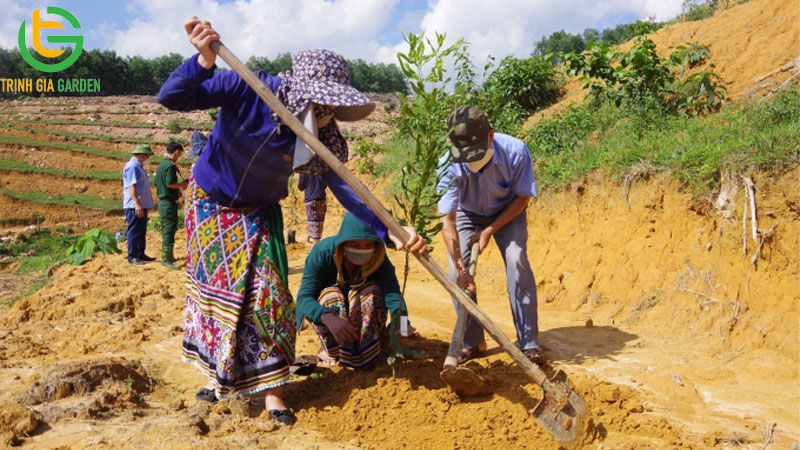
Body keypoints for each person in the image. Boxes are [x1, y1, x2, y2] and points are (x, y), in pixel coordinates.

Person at [157, 18, 425, 425]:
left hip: (258, 214)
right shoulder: (245, 87)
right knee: (216, 298)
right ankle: (217, 380)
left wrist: (391, 229)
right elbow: (172, 96)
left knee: (269, 299)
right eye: (321, 100)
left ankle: (273, 395)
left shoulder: (323, 139)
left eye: (333, 103)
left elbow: (348, 189)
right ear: (300, 90)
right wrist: (204, 59)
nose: (327, 109)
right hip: (210, 204)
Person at [436, 105, 544, 366]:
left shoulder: (515, 151)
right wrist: (462, 268)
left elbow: (523, 197)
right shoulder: (447, 165)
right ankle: (473, 341)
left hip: (507, 211)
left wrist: (490, 230)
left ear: (491, 137)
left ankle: (528, 344)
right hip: (466, 213)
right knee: (455, 275)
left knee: (517, 259)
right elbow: (447, 219)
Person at [296, 213, 407, 368]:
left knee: (371, 291)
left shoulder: (379, 260)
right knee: (331, 295)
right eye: (355, 245)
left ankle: (367, 350)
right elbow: (304, 298)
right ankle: (333, 350)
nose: (362, 250)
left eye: (368, 245)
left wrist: (402, 325)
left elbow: (394, 296)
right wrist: (327, 317)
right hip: (331, 312)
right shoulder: (322, 253)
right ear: (344, 244)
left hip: (362, 313)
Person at [154, 142, 188, 269]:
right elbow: (170, 184)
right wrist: (182, 186)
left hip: (163, 202)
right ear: (176, 152)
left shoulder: (162, 165)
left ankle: (170, 255)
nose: (179, 156)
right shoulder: (170, 166)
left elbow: (158, 183)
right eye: (180, 153)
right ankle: (166, 259)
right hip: (168, 202)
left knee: (169, 228)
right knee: (169, 229)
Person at [122, 144, 155, 265]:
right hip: (134, 205)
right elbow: (132, 186)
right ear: (141, 155)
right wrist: (137, 204)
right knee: (134, 230)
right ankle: (132, 255)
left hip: (141, 204)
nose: (148, 158)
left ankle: (140, 253)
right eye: (147, 156)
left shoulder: (138, 166)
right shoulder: (132, 166)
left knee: (141, 230)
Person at [297, 174, 327, 244]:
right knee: (319, 223)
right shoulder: (321, 169)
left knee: (313, 223)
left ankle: (315, 246)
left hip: (311, 199)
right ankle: (315, 243)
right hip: (322, 199)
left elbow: (300, 187)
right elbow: (325, 185)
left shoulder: (304, 170)